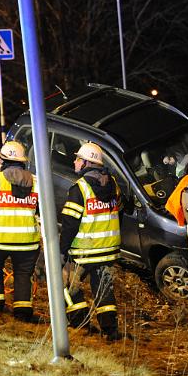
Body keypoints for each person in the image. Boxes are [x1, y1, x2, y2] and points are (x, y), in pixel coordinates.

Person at [59, 142, 123, 341]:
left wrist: (62, 251)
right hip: (108, 250)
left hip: (83, 251)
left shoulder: (80, 189)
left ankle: (79, 322)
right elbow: (119, 211)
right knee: (104, 289)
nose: (75, 161)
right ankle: (110, 331)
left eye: (78, 158)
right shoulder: (112, 184)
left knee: (66, 284)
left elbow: (70, 224)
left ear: (87, 162)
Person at [0, 141, 41, 322]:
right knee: (23, 274)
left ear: (3, 161)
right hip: (28, 242)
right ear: (22, 162)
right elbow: (42, 210)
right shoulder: (36, 182)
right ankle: (22, 310)